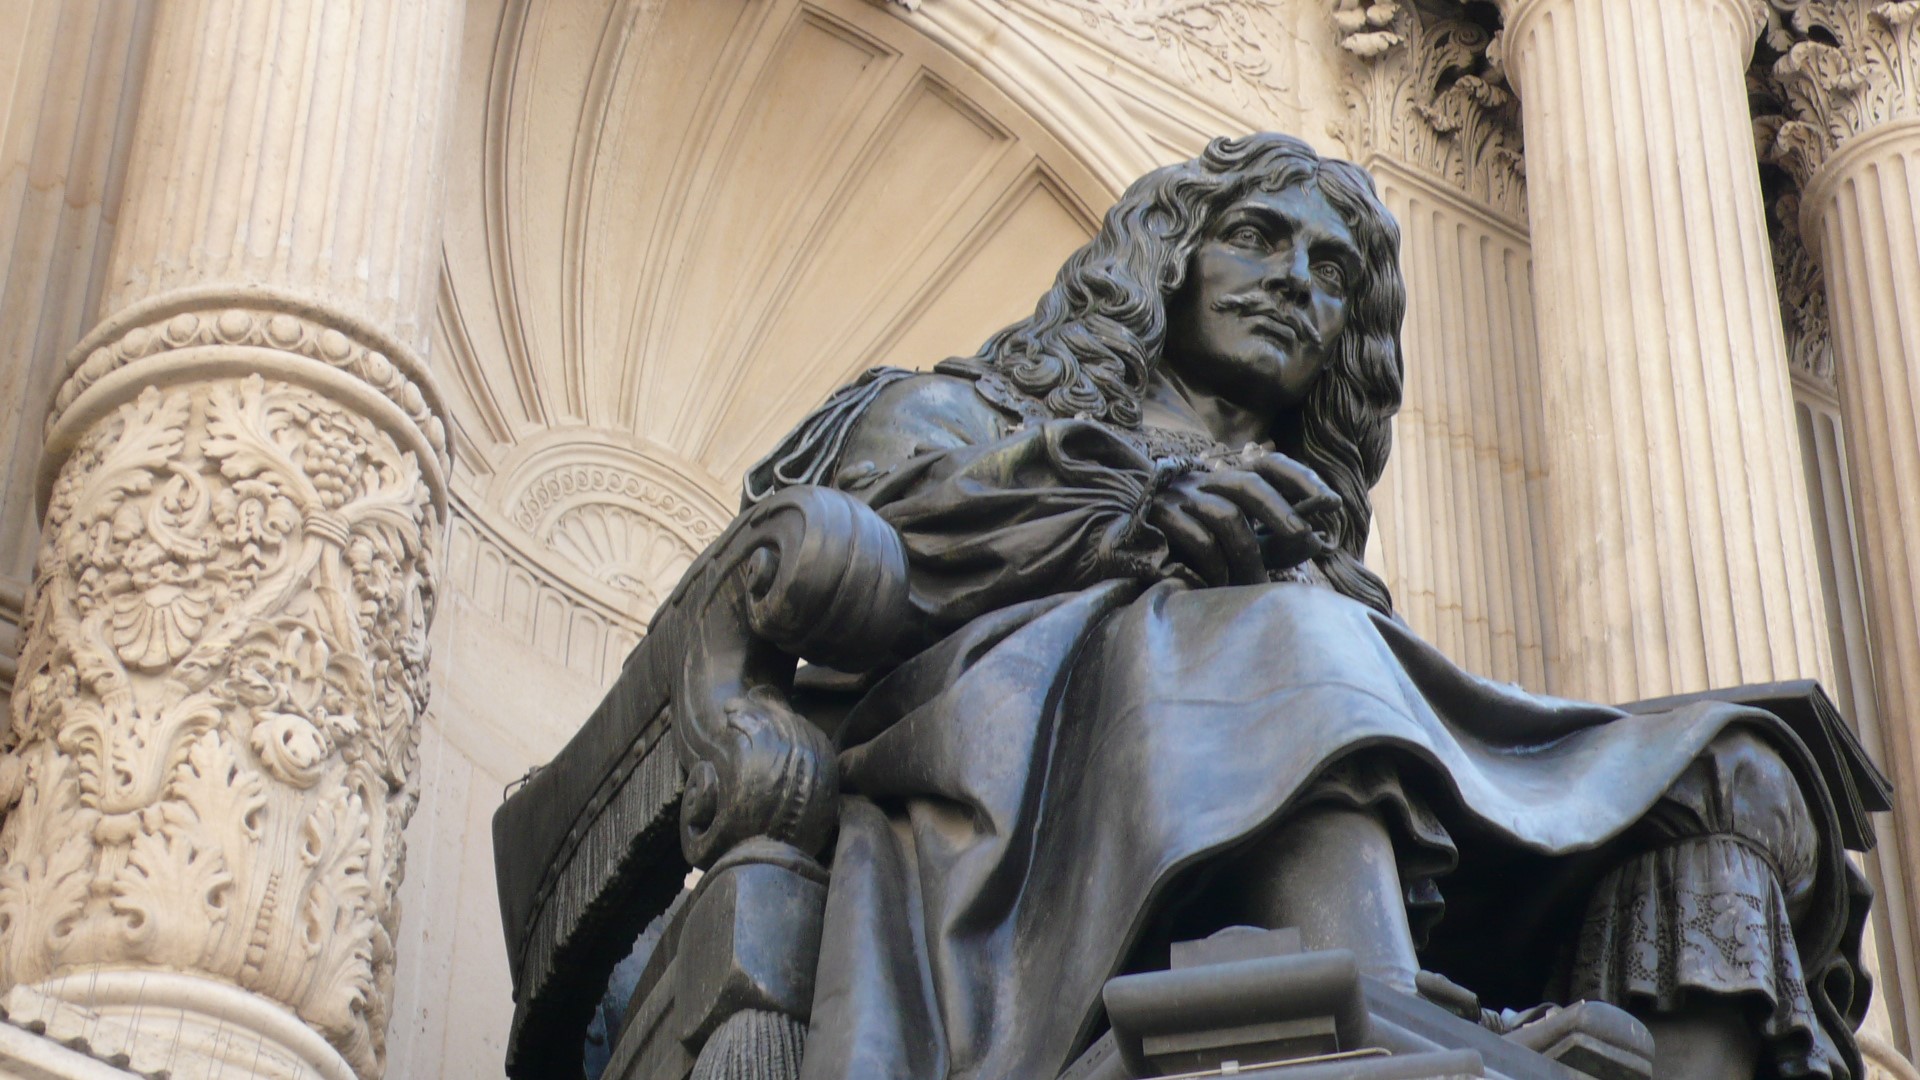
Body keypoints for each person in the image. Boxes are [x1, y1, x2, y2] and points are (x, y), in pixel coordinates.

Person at [745, 133, 1868, 1080]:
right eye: (1258, 237)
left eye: (1332, 271)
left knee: (1742, 772)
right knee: (1288, 632)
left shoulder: (1322, 567)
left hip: (1309, 767)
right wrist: (1140, 511)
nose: (1297, 281)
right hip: (1037, 810)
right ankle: (1378, 1010)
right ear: (1165, 259)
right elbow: (849, 556)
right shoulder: (966, 411)